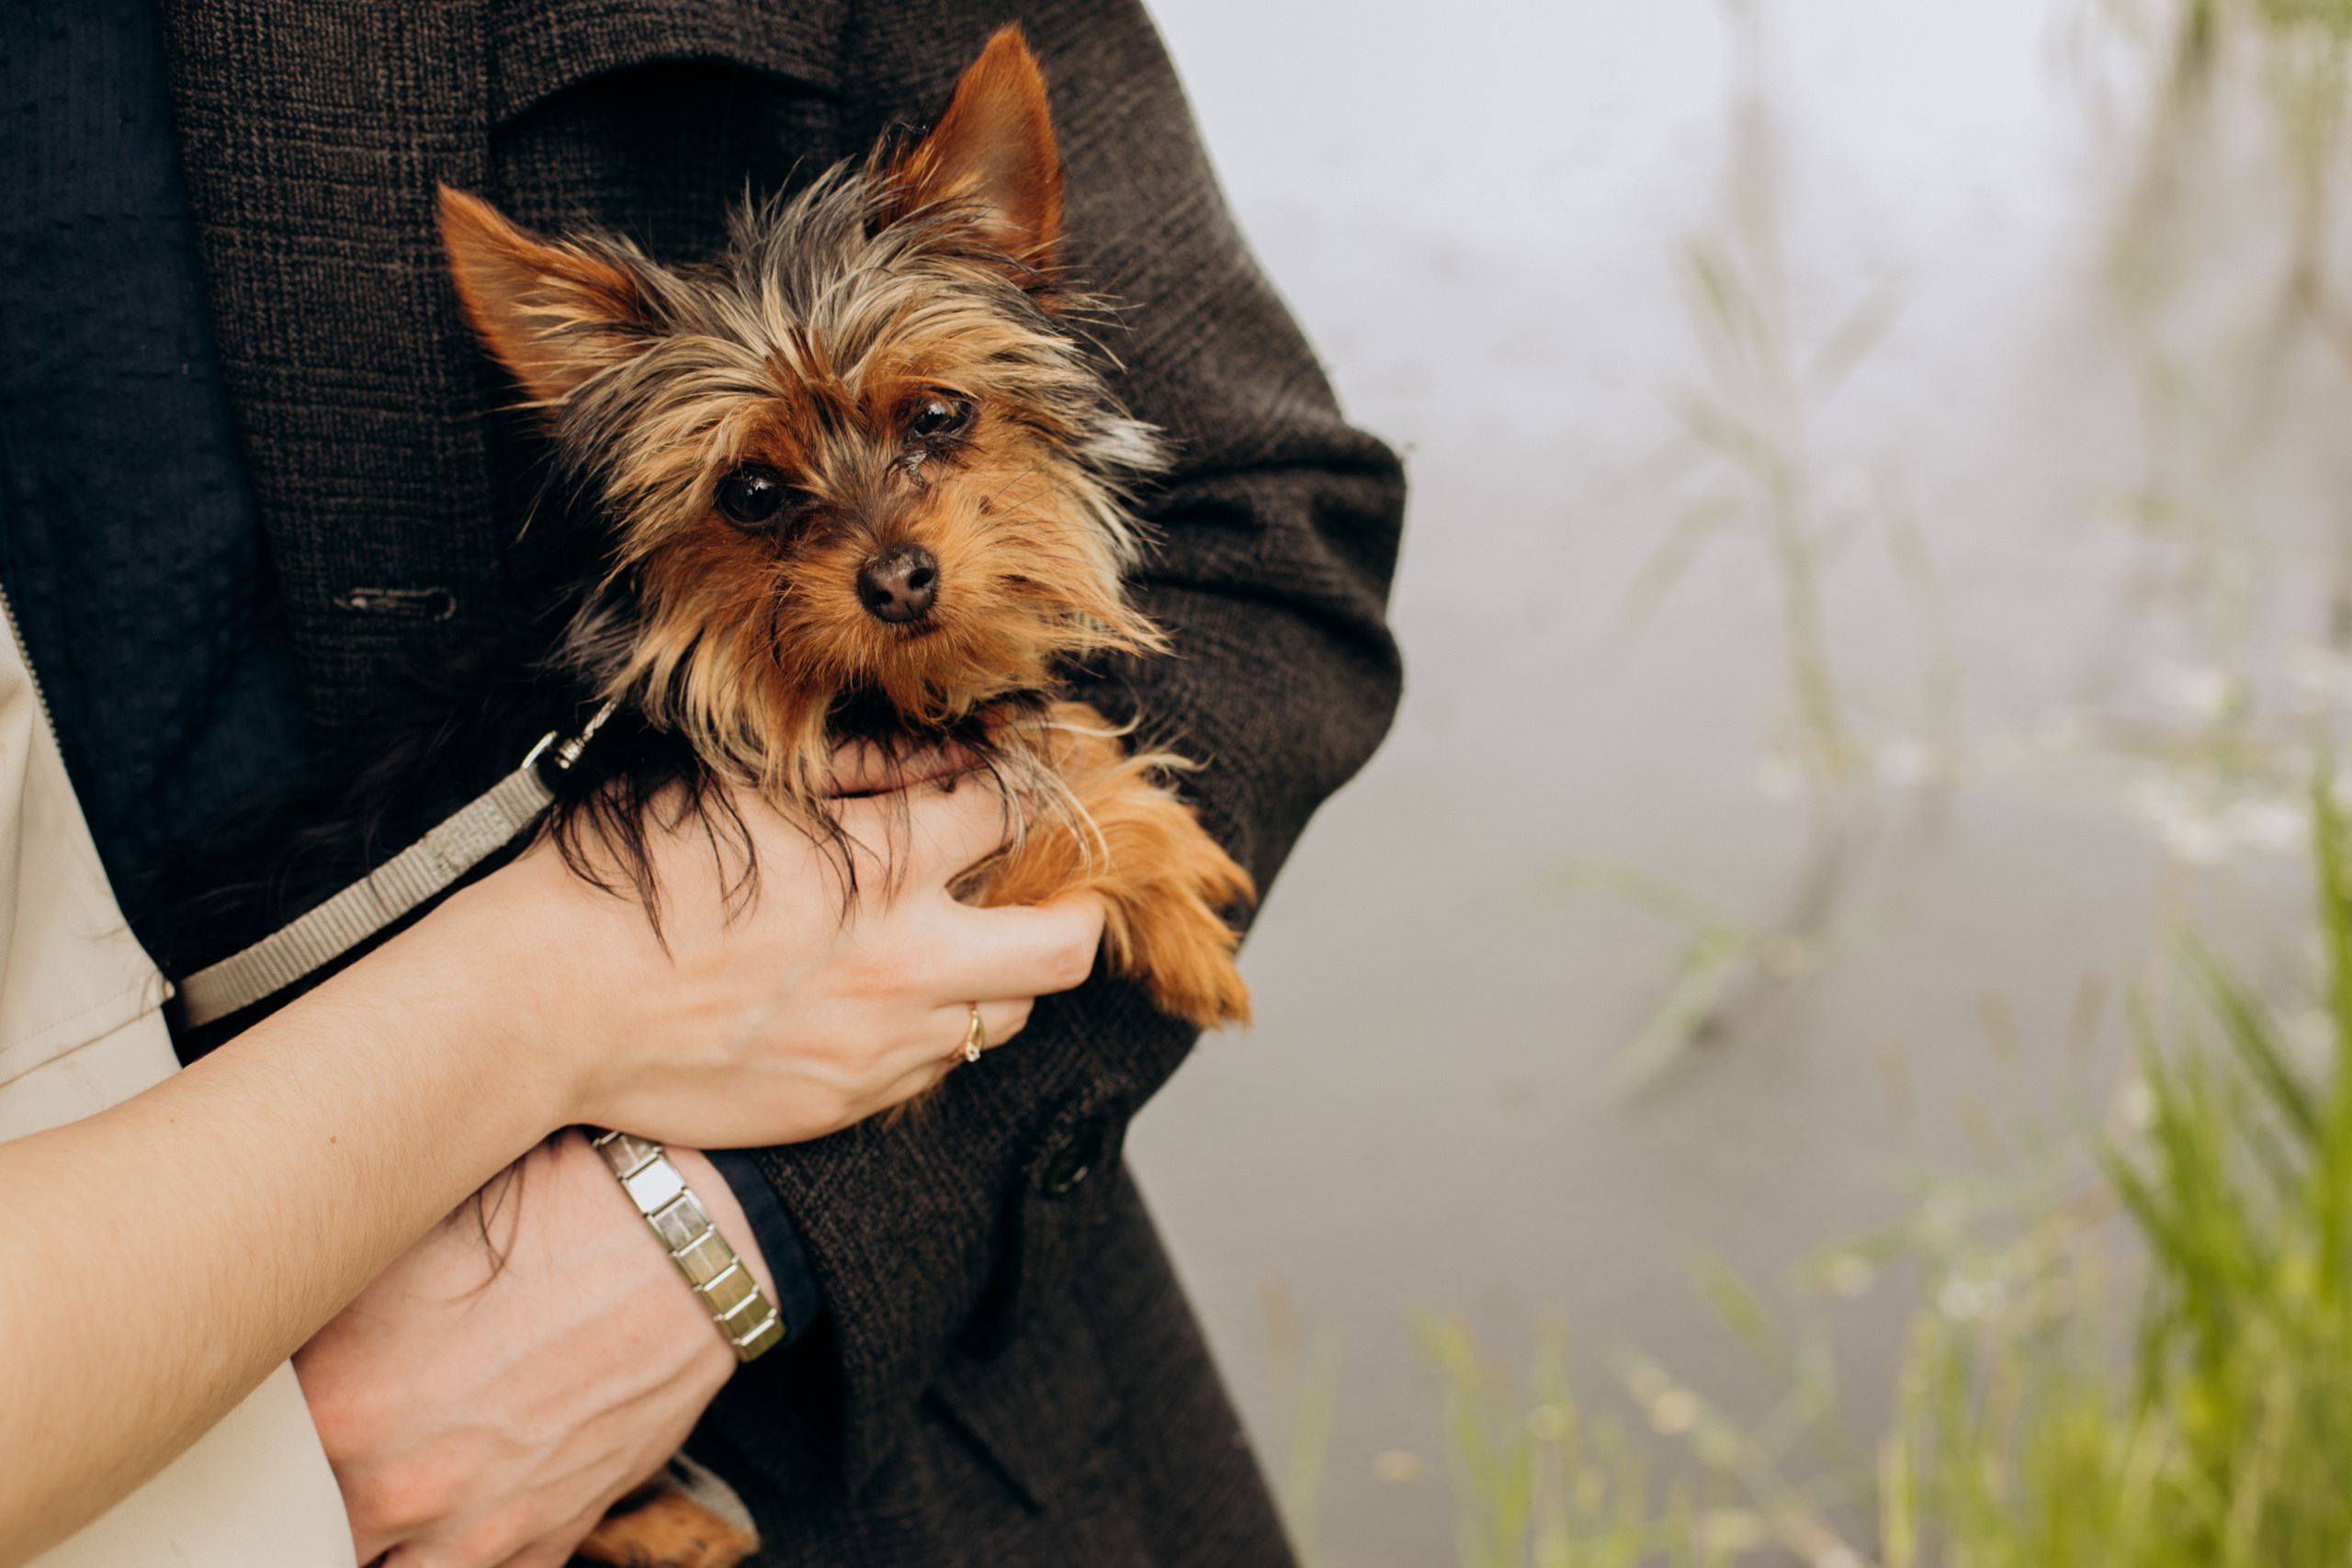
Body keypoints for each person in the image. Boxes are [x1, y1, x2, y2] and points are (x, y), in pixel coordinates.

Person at [0, 1, 1405, 1564]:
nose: (886, 548)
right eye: (757, 496)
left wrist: (711, 1240)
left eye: (934, 426)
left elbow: (1269, 537)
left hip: (934, 1451)